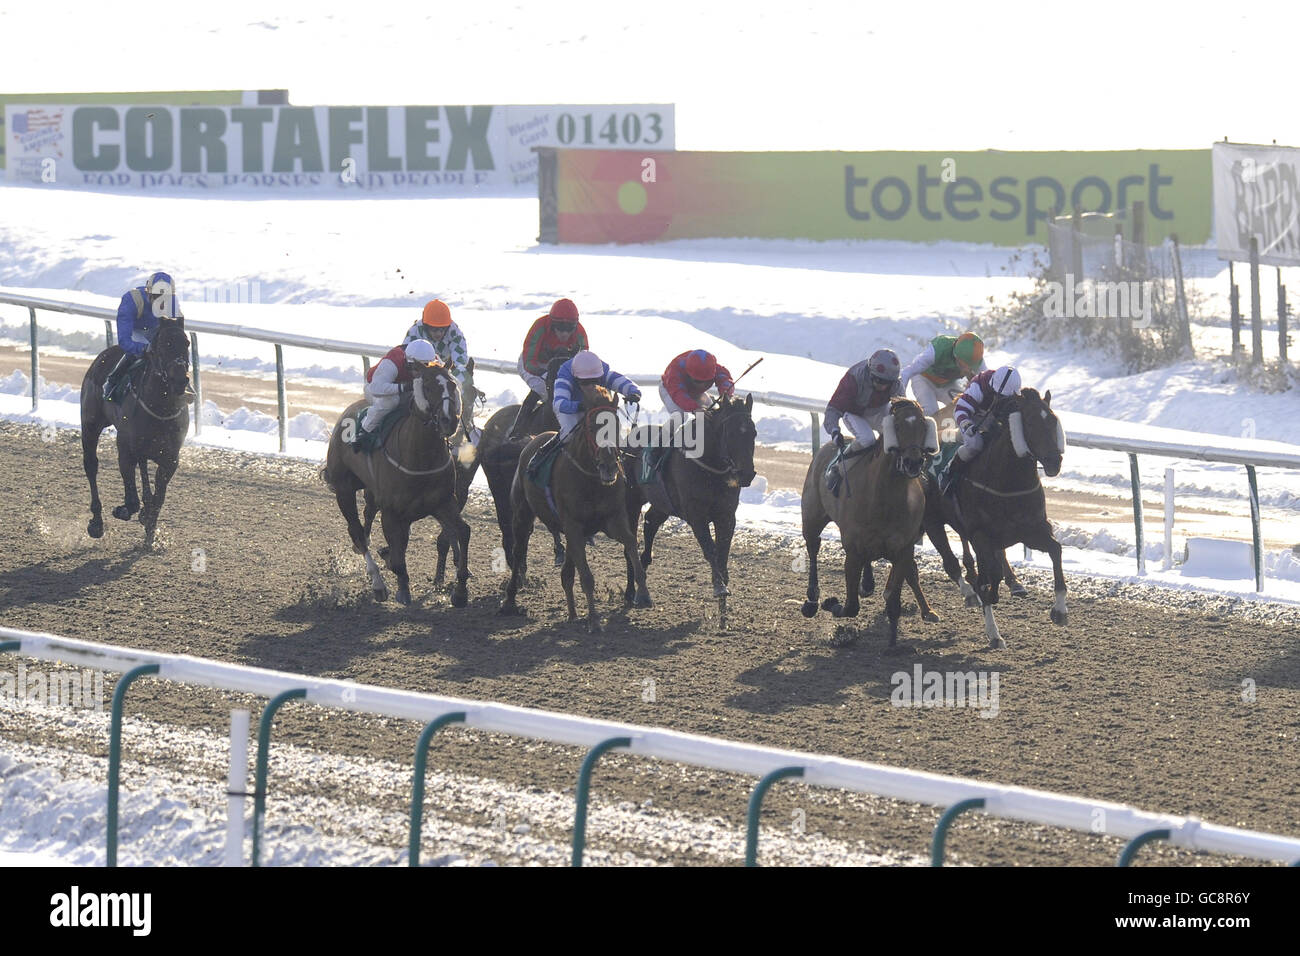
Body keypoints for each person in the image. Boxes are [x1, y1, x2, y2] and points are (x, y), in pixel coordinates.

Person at [527, 349, 640, 475]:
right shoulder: (565, 376)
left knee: (613, 431)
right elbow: (559, 404)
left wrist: (633, 393)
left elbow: (623, 382)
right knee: (568, 433)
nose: (591, 386)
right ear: (576, 378)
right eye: (585, 382)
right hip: (571, 407)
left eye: (595, 381)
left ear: (600, 376)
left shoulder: (603, 372)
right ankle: (541, 455)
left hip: (595, 408)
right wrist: (579, 406)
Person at [822, 349, 904, 494]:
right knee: (868, 440)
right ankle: (838, 467)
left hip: (879, 410)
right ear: (870, 373)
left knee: (894, 437)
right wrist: (835, 431)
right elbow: (833, 409)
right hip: (854, 413)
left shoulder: (896, 384)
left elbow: (903, 409)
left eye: (887, 383)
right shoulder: (854, 378)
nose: (883, 386)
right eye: (879, 381)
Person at [508, 297, 589, 439]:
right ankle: (518, 432)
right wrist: (546, 376)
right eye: (560, 327)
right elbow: (529, 362)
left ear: (575, 326)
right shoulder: (539, 327)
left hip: (562, 367)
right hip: (534, 364)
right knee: (544, 391)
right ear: (551, 324)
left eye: (569, 328)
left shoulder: (580, 334)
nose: (564, 333)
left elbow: (584, 363)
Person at [104, 271, 187, 402]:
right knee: (137, 353)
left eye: (165, 298)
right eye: (157, 296)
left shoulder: (173, 304)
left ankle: (186, 387)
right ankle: (112, 382)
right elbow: (124, 340)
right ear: (148, 294)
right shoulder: (132, 300)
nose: (161, 302)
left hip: (156, 331)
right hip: (136, 331)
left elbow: (177, 338)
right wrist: (144, 349)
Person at [941, 365, 1023, 495]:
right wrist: (966, 424)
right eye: (997, 394)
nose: (998, 398)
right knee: (975, 444)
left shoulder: (1013, 393)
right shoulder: (978, 386)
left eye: (1003, 397)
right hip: (973, 417)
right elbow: (961, 409)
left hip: (993, 420)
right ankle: (950, 472)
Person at [353, 338, 439, 446]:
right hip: (373, 387)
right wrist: (403, 388)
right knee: (390, 402)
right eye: (417, 368)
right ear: (407, 363)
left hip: (405, 389)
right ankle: (364, 431)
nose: (420, 373)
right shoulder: (392, 362)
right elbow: (375, 388)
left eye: (425, 367)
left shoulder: (434, 360)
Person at [898, 331, 985, 415]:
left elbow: (987, 382)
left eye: (970, 366)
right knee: (931, 412)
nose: (966, 369)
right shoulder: (938, 349)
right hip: (923, 378)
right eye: (963, 365)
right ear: (955, 355)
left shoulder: (977, 361)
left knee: (962, 407)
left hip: (947, 383)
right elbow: (908, 372)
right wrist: (901, 399)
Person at [402, 299, 471, 396]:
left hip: (445, 370)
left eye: (442, 329)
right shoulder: (415, 331)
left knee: (463, 374)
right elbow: (405, 358)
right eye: (434, 329)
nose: (439, 333)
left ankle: (463, 406)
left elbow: (460, 363)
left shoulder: (455, 332)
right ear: (426, 326)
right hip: (422, 371)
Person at [659, 349, 735, 414]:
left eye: (707, 381)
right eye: (698, 381)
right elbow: (678, 394)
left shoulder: (714, 367)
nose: (703, 385)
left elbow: (725, 380)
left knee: (712, 413)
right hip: (670, 391)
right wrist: (694, 408)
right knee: (681, 416)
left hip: (696, 393)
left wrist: (726, 394)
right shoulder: (675, 371)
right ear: (688, 374)